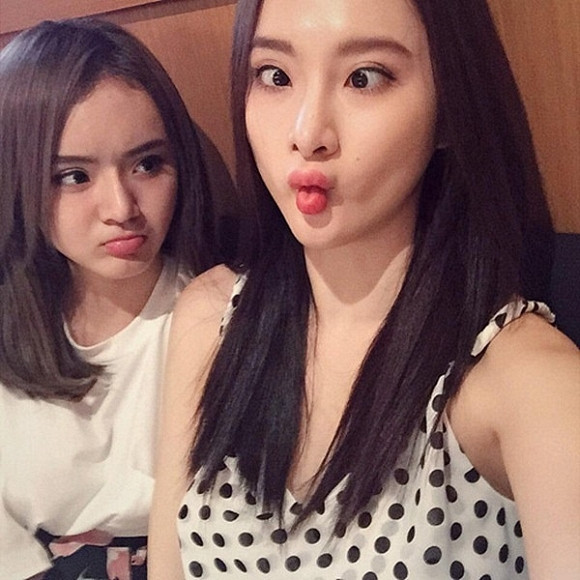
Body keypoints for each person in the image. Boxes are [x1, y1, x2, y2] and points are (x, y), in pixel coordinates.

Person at [149, 0, 580, 578]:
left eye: (364, 77)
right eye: (275, 76)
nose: (307, 133)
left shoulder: (526, 381)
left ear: (450, 109)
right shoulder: (210, 319)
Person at [0, 18, 218, 580]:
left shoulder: (219, 316)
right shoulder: (10, 328)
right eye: (73, 176)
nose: (121, 207)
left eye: (147, 164)